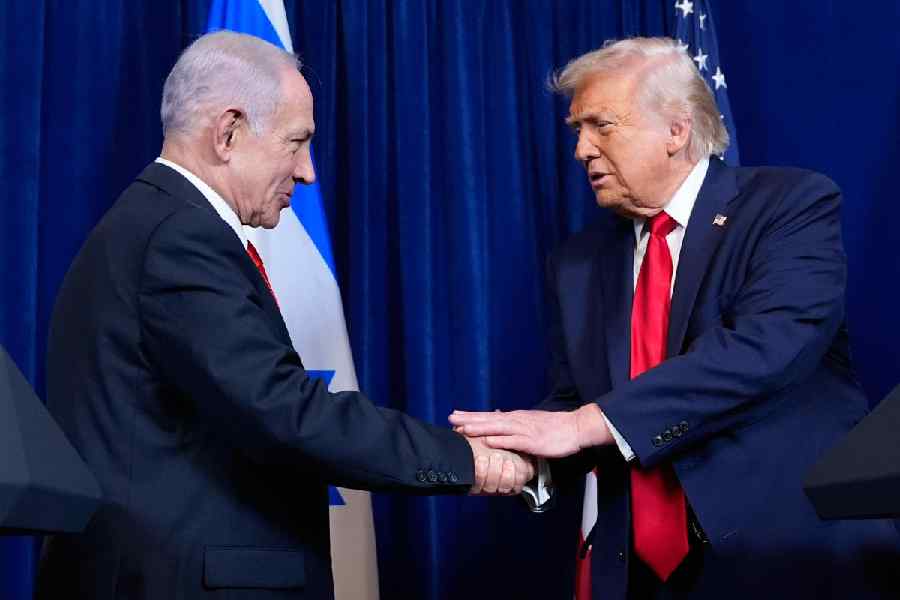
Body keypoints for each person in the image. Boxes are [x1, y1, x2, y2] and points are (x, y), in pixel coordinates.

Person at [37, 30, 532, 600]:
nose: (307, 172)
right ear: (227, 133)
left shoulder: (153, 222)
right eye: (296, 143)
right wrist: (464, 458)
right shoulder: (178, 238)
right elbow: (284, 413)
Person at [451, 37, 900, 599]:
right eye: (576, 130)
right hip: (636, 572)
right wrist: (520, 458)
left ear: (676, 129)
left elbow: (763, 351)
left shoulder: (790, 206)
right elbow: (575, 403)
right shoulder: (578, 262)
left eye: (601, 125)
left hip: (788, 560)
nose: (582, 151)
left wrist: (581, 424)